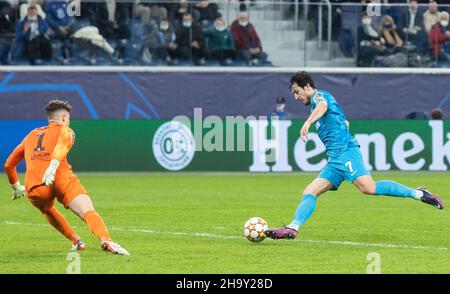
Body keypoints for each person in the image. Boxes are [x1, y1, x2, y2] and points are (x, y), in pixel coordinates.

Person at [265, 71, 444, 240]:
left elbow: (323, 105)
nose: (296, 97)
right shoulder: (318, 103)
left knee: (369, 188)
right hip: (335, 161)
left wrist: (307, 123)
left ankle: (419, 194)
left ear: (308, 87)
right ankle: (292, 228)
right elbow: (342, 120)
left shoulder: (319, 97)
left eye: (297, 92)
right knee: (310, 192)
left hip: (345, 154)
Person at [4, 100, 129, 255]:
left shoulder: (31, 135)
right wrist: (53, 165)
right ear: (63, 118)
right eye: (68, 119)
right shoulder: (66, 130)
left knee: (47, 209)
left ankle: (76, 241)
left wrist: (15, 185)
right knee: (87, 211)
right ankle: (106, 240)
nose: (68, 122)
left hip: (36, 184)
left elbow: (9, 164)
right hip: (60, 177)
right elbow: (61, 145)